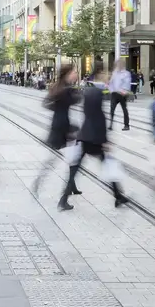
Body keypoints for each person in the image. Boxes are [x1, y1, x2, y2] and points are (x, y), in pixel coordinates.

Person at [60, 65, 126, 211]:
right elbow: (99, 117)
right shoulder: (97, 92)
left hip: (85, 135)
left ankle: (63, 199)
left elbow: (89, 115)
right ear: (100, 74)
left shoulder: (89, 90)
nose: (108, 76)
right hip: (94, 137)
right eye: (106, 73)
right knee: (107, 164)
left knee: (77, 168)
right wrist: (105, 139)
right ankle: (118, 195)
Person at [34, 63, 80, 194]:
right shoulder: (66, 90)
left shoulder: (59, 87)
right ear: (67, 74)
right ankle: (62, 190)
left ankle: (71, 186)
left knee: (71, 156)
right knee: (66, 158)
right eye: (73, 72)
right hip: (64, 127)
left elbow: (46, 104)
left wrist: (57, 109)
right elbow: (76, 100)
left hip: (59, 124)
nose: (75, 74)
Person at [107, 59, 132, 131]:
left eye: (120, 64)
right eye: (117, 64)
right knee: (112, 109)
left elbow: (127, 83)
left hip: (122, 94)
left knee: (124, 109)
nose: (118, 66)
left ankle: (126, 125)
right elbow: (111, 82)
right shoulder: (114, 73)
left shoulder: (126, 73)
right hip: (114, 94)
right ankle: (111, 125)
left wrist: (124, 91)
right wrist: (111, 91)